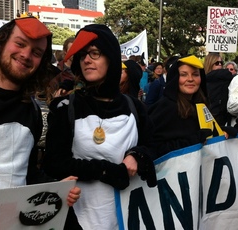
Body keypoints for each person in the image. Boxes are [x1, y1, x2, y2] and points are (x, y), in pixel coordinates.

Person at [0, 16, 81, 227]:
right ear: (1, 43)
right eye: (20, 44)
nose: (26, 55)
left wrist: (55, 189)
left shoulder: (32, 111)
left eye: (36, 53)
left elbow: (26, 172)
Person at [43, 24, 157, 230]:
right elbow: (53, 163)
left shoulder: (135, 107)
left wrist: (137, 155)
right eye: (83, 55)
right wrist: (105, 171)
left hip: (129, 217)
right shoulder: (65, 108)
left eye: (95, 53)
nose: (87, 60)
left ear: (111, 58)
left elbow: (153, 145)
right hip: (79, 219)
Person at [148, 55, 219, 158]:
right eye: (183, 74)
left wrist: (222, 132)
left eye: (195, 74)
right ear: (175, 77)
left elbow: (206, 132)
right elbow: (153, 148)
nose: (190, 79)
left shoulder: (201, 106)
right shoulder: (165, 107)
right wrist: (193, 140)